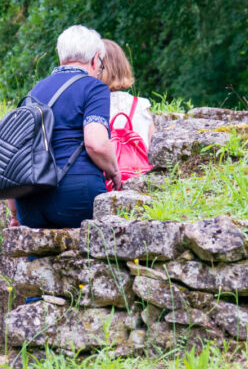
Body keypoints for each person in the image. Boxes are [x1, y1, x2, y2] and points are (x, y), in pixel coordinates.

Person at [12, 25, 125, 228]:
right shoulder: (94, 87)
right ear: (95, 59)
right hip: (78, 196)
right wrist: (114, 171)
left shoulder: (33, 92)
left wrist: (14, 214)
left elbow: (15, 154)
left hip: (29, 203)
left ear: (61, 57)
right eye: (100, 65)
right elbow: (96, 143)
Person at [97, 39, 155, 189]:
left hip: (106, 184)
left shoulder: (92, 105)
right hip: (140, 180)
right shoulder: (142, 105)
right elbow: (153, 148)